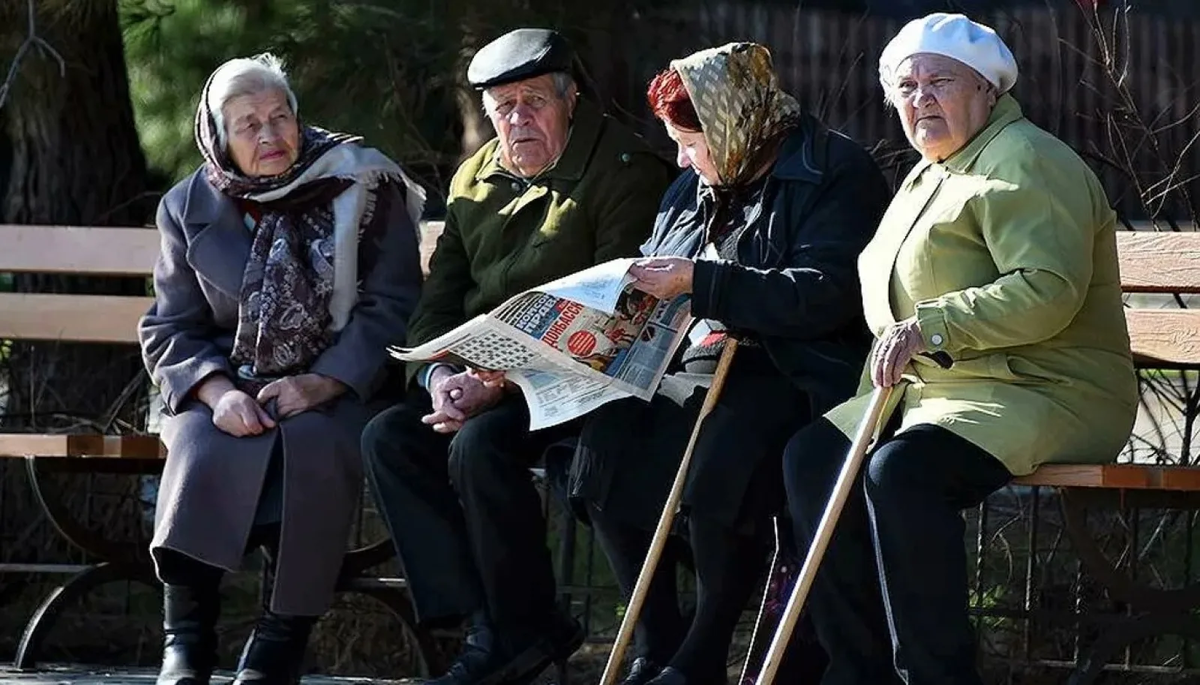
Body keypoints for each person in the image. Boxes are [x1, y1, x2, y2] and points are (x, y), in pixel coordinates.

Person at [782, 13, 1138, 685]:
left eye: (940, 82)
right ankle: (859, 672)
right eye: (907, 87)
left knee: (902, 472)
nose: (921, 99)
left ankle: (936, 674)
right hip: (942, 394)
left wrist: (931, 327)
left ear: (987, 89)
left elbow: (1047, 288)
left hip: (1046, 387)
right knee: (813, 460)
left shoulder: (1026, 160)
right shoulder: (928, 174)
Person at [566, 43, 891, 685]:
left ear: (731, 125)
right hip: (696, 362)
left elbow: (824, 294)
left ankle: (702, 653)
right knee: (606, 445)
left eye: (691, 144)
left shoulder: (834, 171)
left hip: (796, 368)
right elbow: (660, 261)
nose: (682, 161)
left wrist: (702, 282)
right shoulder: (694, 183)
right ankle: (657, 643)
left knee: (726, 451)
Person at [359, 28, 674, 685]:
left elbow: (622, 308)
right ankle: (491, 626)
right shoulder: (474, 178)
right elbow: (437, 304)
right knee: (390, 437)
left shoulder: (623, 169)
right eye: (503, 107)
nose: (518, 119)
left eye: (534, 101)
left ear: (570, 99)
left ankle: (519, 629)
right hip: (487, 378)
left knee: (480, 446)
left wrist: (498, 383)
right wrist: (440, 374)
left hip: (585, 379)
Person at [139, 53, 424, 685]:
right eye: (248, 125)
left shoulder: (360, 182)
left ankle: (280, 638)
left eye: (280, 117)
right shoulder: (187, 204)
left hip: (340, 381)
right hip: (225, 381)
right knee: (199, 442)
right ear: (219, 137)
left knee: (312, 443)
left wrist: (325, 380)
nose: (269, 135)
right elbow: (172, 326)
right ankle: (186, 642)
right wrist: (216, 393)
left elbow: (393, 304)